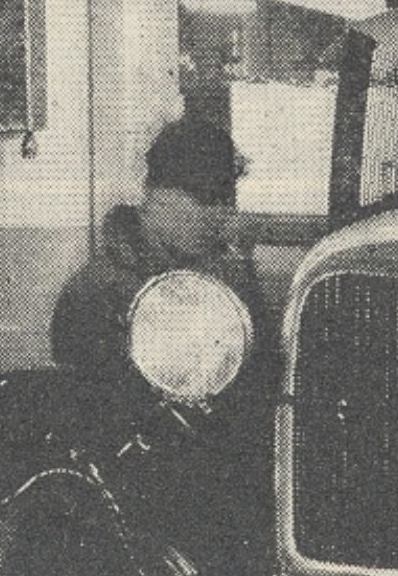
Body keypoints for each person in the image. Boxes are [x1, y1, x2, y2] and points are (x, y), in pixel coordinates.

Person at [50, 117, 257, 382]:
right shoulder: (96, 293)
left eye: (226, 199)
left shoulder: (225, 276)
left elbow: (258, 378)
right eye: (206, 196)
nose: (221, 214)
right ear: (155, 195)